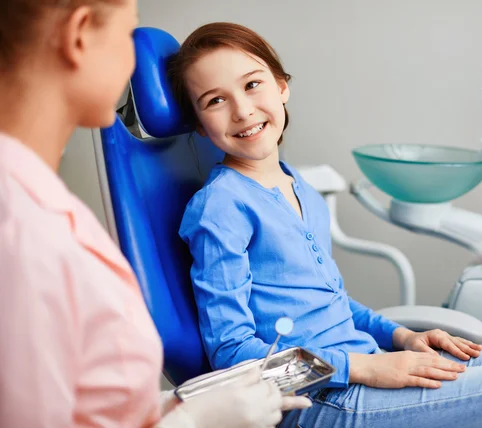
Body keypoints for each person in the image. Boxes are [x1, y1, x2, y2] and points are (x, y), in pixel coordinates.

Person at [172, 22, 482, 427]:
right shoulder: (222, 207)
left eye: (251, 84)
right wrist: (364, 366)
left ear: (282, 87)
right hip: (314, 401)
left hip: (360, 367)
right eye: (215, 100)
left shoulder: (295, 185)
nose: (243, 110)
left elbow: (334, 303)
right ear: (198, 123)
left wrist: (399, 336)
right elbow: (233, 357)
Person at [0, 1, 311, 427]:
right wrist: (192, 423)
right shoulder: (20, 232)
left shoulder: (43, 203)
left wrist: (169, 411)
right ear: (80, 35)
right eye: (130, 33)